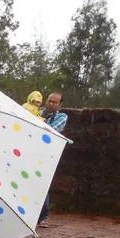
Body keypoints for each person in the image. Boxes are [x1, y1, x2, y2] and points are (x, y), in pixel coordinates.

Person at [37, 92, 68, 227]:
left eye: (54, 102)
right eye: (49, 101)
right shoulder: (37, 112)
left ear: (60, 104)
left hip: (47, 154)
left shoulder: (61, 117)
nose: (50, 104)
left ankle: (43, 216)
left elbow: (51, 129)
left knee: (43, 183)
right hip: (31, 151)